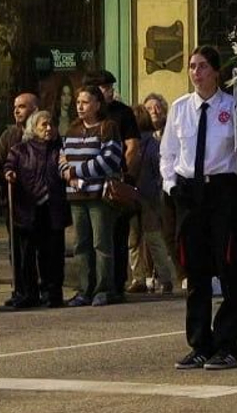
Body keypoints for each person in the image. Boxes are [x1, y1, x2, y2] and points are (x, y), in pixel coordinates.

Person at [163, 46, 237, 371]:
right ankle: (200, 343)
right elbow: (169, 153)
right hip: (190, 192)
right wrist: (171, 186)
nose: (196, 73)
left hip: (223, 191)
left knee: (228, 267)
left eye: (202, 67)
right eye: (191, 67)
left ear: (216, 71)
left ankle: (228, 345)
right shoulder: (180, 108)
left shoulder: (231, 107)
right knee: (196, 271)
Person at [61, 85, 124, 307]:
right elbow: (62, 159)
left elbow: (109, 160)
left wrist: (77, 172)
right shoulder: (72, 130)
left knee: (101, 243)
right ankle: (83, 290)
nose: (80, 106)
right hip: (76, 195)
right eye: (78, 102)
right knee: (81, 244)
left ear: (97, 104)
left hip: (99, 196)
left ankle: (104, 289)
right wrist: (68, 175)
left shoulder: (108, 128)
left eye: (85, 102)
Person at [1, 110, 70, 308]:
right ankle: (29, 293)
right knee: (26, 255)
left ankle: (52, 293)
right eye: (43, 125)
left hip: (52, 207)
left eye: (51, 125)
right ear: (33, 128)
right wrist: (9, 173)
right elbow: (8, 164)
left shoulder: (60, 148)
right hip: (28, 209)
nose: (49, 129)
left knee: (53, 255)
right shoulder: (20, 149)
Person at [84, 70, 141, 300]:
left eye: (109, 87)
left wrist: (123, 176)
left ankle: (116, 284)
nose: (109, 91)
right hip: (88, 185)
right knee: (90, 239)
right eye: (104, 88)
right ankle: (90, 285)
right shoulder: (84, 115)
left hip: (113, 183)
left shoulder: (122, 113)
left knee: (116, 235)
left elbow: (133, 147)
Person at [0, 92, 38, 307]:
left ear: (34, 109)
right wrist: (7, 176)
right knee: (17, 248)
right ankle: (20, 289)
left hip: (37, 200)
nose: (17, 110)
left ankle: (37, 289)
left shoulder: (42, 131)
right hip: (14, 201)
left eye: (22, 106)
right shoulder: (9, 135)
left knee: (35, 248)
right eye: (15, 106)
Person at [128, 104, 177, 294]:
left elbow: (159, 172)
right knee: (150, 239)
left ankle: (142, 277)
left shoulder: (149, 144)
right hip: (147, 197)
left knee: (141, 239)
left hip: (144, 198)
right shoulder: (151, 143)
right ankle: (161, 278)